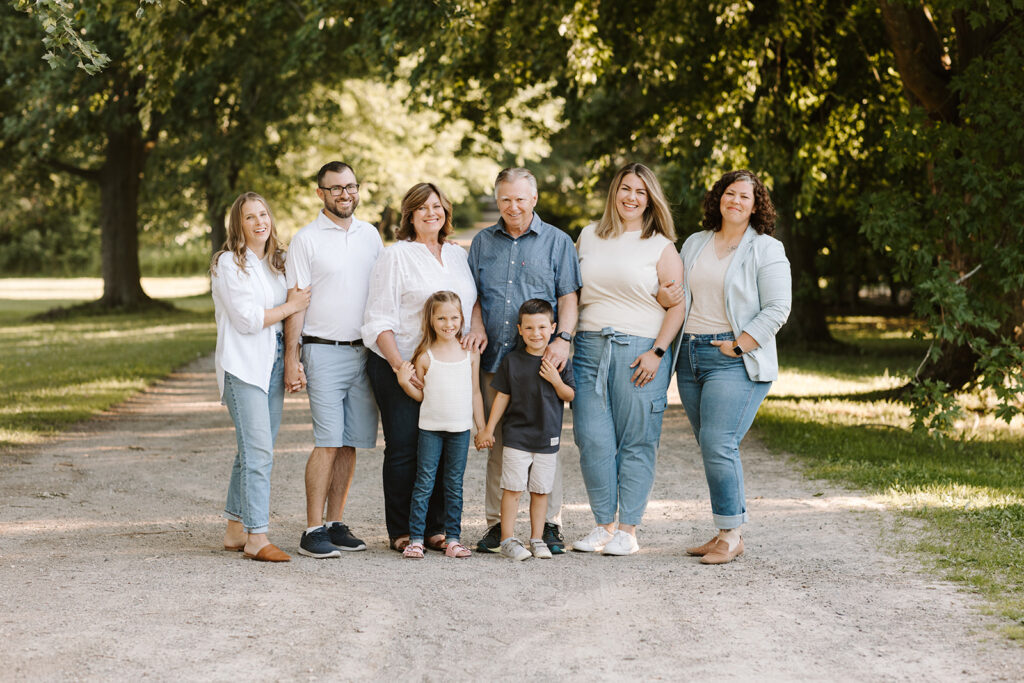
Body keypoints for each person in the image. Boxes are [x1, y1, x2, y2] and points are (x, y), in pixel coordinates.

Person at [666, 169, 791, 565]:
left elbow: (778, 308)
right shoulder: (694, 243)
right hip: (689, 356)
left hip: (733, 359)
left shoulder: (766, 249)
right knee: (712, 446)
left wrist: (739, 347)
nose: (735, 201)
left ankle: (732, 535)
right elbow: (678, 295)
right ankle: (723, 530)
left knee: (719, 442)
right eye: (730, 193)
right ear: (718, 198)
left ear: (756, 207)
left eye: (745, 197)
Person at [465, 167, 582, 555]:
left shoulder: (557, 241)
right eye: (505, 199)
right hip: (496, 356)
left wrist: (563, 340)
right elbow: (475, 296)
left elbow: (568, 296)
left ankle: (548, 524)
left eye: (520, 198)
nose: (512, 206)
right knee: (500, 441)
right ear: (497, 200)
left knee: (546, 441)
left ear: (533, 199)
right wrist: (477, 327)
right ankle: (499, 526)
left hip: (542, 358)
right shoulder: (482, 242)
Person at [571, 162, 685, 556]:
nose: (631, 197)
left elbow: (677, 307)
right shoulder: (587, 237)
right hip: (589, 349)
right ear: (613, 193)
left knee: (637, 441)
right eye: (625, 189)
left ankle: (628, 530)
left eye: (640, 191)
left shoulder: (662, 246)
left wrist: (657, 352)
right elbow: (570, 293)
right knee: (592, 439)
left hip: (642, 352)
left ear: (650, 198)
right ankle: (603, 525)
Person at [363, 182, 477, 552]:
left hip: (448, 367)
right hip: (402, 364)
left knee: (444, 441)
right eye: (423, 208)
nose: (432, 213)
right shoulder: (396, 256)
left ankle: (436, 527)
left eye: (438, 206)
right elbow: (378, 317)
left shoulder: (458, 256)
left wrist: (479, 331)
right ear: (410, 215)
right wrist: (399, 365)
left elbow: (472, 303)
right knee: (406, 447)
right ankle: (401, 529)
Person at [284, 162, 383, 559]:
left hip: (365, 352)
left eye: (351, 187)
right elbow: (295, 303)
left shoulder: (371, 235)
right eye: (336, 188)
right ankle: (312, 530)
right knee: (327, 442)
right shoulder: (306, 240)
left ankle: (335, 524)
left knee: (351, 443)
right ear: (320, 193)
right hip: (322, 349)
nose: (345, 194)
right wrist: (293, 357)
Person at [212, 192, 311, 562]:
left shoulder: (277, 262)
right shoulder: (228, 264)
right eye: (250, 217)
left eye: (264, 214)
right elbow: (247, 319)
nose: (259, 222)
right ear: (238, 225)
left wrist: (293, 359)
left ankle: (235, 530)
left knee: (253, 450)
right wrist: (290, 306)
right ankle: (257, 536)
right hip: (243, 367)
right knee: (258, 454)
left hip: (270, 364)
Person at [477, 299, 576, 561]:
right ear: (520, 330)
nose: (536, 334)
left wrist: (556, 380)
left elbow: (570, 394)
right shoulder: (512, 361)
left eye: (542, 327)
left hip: (547, 438)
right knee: (512, 489)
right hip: (516, 438)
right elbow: (501, 397)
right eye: (529, 328)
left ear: (553, 328)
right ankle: (508, 539)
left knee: (541, 490)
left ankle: (537, 538)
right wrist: (488, 429)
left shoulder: (559, 360)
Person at [395, 291, 485, 559]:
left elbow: (476, 393)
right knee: (424, 482)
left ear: (462, 318)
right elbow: (421, 395)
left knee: (454, 484)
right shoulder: (425, 355)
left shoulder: (469, 353)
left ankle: (453, 539)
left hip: (460, 430)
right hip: (431, 429)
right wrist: (403, 382)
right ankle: (416, 540)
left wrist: (482, 428)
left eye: (454, 317)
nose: (449, 324)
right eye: (442, 318)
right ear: (431, 320)